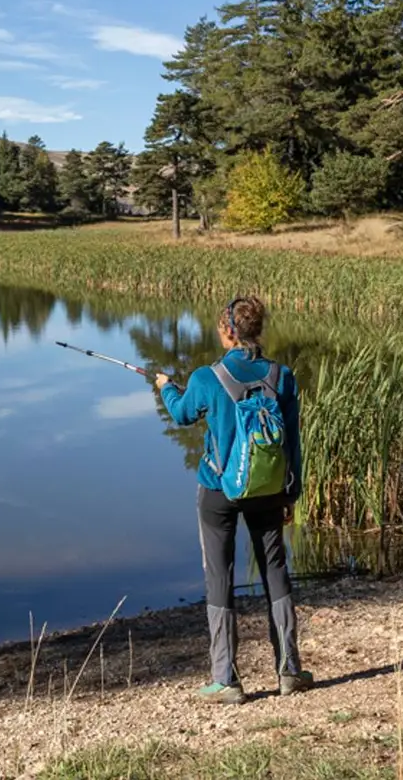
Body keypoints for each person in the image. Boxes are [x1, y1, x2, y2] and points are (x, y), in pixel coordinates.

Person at [154, 295, 310, 704]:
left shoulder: (208, 376)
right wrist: (291, 490)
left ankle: (226, 679)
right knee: (275, 570)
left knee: (219, 577)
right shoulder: (283, 376)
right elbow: (292, 441)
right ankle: (289, 670)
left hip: (219, 491)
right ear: (257, 330)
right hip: (270, 491)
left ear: (227, 330)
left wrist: (166, 387)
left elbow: (183, 414)